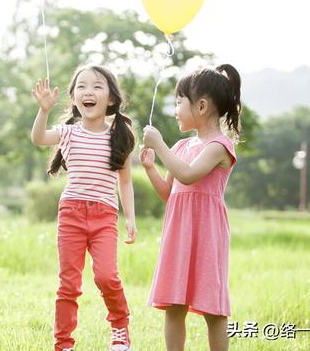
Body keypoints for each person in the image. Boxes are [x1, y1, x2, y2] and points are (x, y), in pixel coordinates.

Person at [31, 66, 137, 351]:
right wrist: (43, 111)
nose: (88, 91)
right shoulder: (67, 133)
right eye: (82, 86)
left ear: (111, 99)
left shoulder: (121, 137)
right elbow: (39, 138)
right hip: (71, 214)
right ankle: (63, 344)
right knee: (69, 284)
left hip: (104, 216)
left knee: (106, 276)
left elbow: (125, 183)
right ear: (74, 97)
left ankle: (119, 326)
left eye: (97, 86)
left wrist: (130, 219)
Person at [140, 64, 242, 351]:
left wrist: (159, 146)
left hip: (207, 233)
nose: (174, 110)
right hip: (178, 233)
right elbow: (168, 192)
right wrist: (150, 168)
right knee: (174, 303)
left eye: (178, 103)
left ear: (201, 106)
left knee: (212, 307)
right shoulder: (182, 146)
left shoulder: (219, 146)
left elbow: (188, 174)